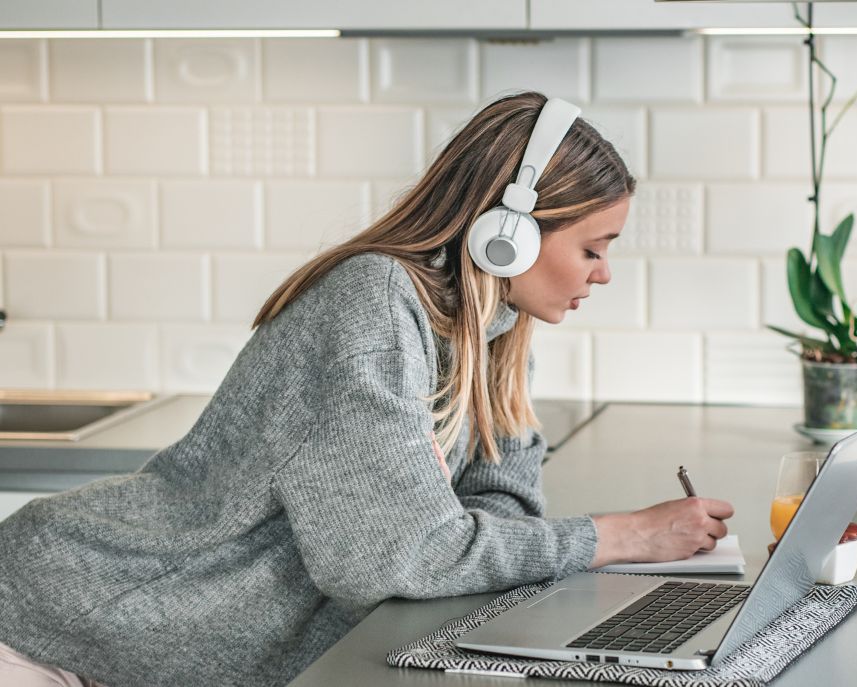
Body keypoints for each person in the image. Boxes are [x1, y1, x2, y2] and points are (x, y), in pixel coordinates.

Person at [0, 92, 734, 687]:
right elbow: (395, 558)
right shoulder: (374, 308)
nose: (604, 273)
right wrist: (621, 535)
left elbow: (492, 511)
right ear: (506, 231)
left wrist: (451, 528)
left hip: (153, 639)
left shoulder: (491, 333)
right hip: (66, 617)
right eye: (593, 248)